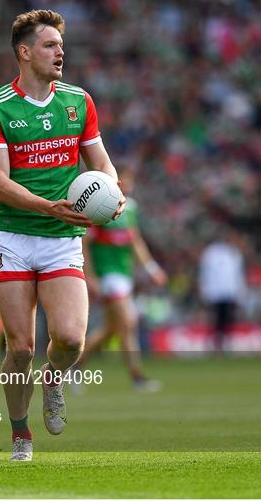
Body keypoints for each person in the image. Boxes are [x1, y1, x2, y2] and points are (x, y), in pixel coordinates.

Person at [0, 9, 125, 461]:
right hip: (15, 238)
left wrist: (113, 192)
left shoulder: (79, 101)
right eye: (49, 45)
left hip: (61, 237)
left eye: (61, 45)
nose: (60, 51)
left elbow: (101, 163)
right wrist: (48, 206)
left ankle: (55, 378)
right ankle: (21, 433)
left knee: (71, 340)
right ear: (24, 52)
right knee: (20, 348)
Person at [80, 165, 168, 390]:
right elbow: (85, 244)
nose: (127, 185)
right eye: (123, 181)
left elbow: (135, 240)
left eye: (129, 181)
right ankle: (137, 377)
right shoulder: (98, 205)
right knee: (128, 322)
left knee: (112, 329)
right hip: (107, 274)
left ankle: (74, 366)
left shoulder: (130, 208)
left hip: (124, 273)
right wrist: (90, 276)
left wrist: (151, 268)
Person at [199, 228, 246, 352]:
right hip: (215, 291)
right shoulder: (212, 252)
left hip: (230, 292)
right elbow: (205, 272)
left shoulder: (235, 253)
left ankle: (225, 342)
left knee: (228, 318)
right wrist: (204, 288)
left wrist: (240, 291)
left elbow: (238, 275)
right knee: (215, 319)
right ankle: (214, 343)